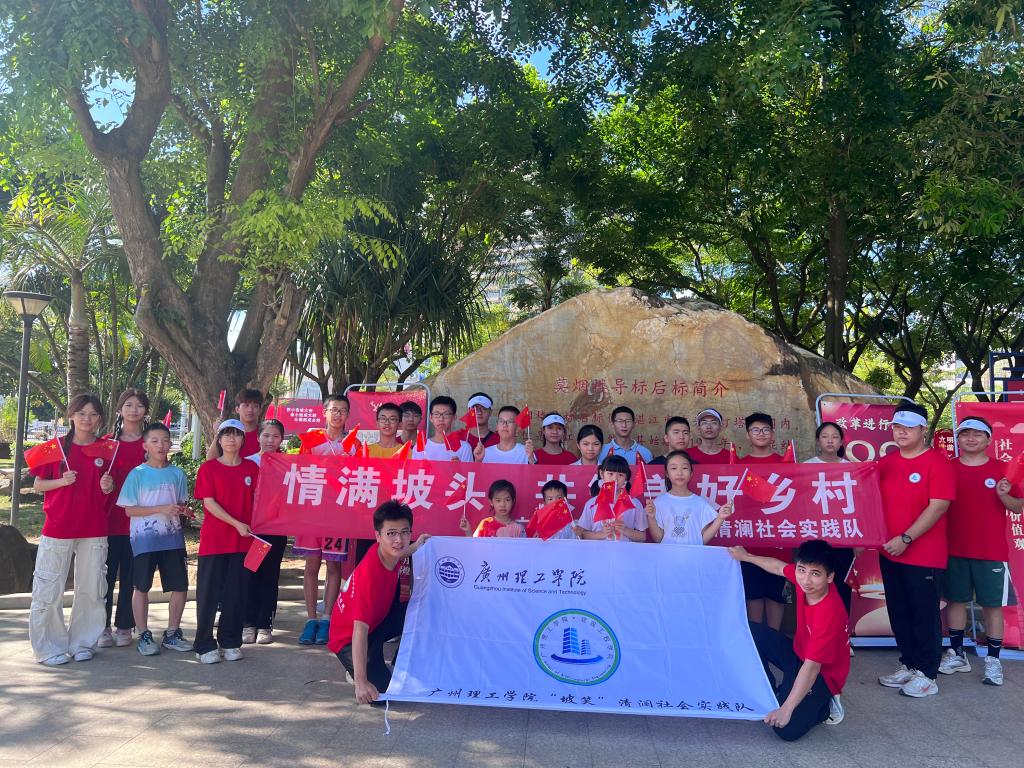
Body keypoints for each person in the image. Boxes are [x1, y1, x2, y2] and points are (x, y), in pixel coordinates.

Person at [729, 541, 850, 740]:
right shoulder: (804, 581)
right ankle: (770, 690)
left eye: (815, 574)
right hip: (798, 653)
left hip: (823, 675)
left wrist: (786, 709)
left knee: (786, 730)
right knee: (747, 631)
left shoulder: (828, 613)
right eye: (802, 570)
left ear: (830, 577)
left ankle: (825, 707)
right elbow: (777, 566)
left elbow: (812, 668)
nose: (806, 580)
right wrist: (746, 557)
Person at [29, 394, 115, 666]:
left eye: (93, 414)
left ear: (100, 419)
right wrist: (61, 482)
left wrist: (108, 487)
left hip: (94, 527)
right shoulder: (54, 448)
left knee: (92, 588)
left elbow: (110, 489)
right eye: (81, 413)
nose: (87, 419)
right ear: (71, 416)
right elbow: (37, 485)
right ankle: (48, 648)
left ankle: (83, 643)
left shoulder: (107, 449)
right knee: (49, 588)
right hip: (58, 525)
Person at [876, 402, 955, 697]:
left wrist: (906, 538)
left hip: (923, 554)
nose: (902, 432)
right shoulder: (886, 462)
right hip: (889, 552)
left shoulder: (938, 463)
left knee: (924, 614)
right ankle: (909, 664)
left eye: (908, 427)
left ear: (923, 429)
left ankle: (927, 673)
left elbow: (938, 506)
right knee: (899, 612)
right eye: (897, 427)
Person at [939, 417, 1022, 686]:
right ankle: (957, 654)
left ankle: (993, 661)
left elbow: (1017, 506)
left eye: (977, 434)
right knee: (956, 601)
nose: (971, 439)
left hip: (991, 551)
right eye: (965, 434)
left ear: (988, 440)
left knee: (992, 606)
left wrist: (1003, 495)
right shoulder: (946, 468)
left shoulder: (1002, 468)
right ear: (958, 439)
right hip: (953, 548)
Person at [328, 500, 430, 704]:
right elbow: (359, 631)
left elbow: (401, 550)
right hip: (348, 638)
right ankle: (355, 670)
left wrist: (417, 545)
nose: (399, 540)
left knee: (422, 612)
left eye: (405, 532)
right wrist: (361, 682)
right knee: (381, 696)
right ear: (378, 536)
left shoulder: (387, 551)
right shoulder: (369, 577)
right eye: (391, 533)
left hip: (378, 620)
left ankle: (398, 664)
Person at [116, 422, 193, 656]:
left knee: (180, 586)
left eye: (165, 441)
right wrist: (161, 508)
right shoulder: (137, 474)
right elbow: (129, 510)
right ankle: (144, 634)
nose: (161, 445)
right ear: (145, 446)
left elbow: (180, 504)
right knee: (141, 587)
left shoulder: (177, 474)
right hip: (144, 541)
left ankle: (172, 633)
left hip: (173, 540)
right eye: (155, 441)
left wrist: (184, 510)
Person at [193, 419, 259, 664]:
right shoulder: (208, 468)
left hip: (244, 542)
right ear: (219, 440)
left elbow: (260, 499)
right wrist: (236, 523)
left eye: (236, 434)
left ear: (243, 440)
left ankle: (230, 640)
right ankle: (204, 644)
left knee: (236, 593)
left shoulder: (251, 468)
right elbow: (209, 503)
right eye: (226, 435)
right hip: (215, 541)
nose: (231, 439)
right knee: (208, 594)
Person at [294, 393, 352, 645]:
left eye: (342, 410)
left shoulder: (353, 443)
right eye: (333, 409)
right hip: (312, 512)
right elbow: (299, 471)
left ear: (348, 415)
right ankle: (311, 619)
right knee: (311, 566)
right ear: (324, 412)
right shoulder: (311, 439)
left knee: (334, 567)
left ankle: (327, 618)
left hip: (338, 514)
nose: (338, 414)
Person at [98, 388, 149, 649]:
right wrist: (104, 485)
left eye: (139, 405)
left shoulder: (150, 444)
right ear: (119, 409)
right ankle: (102, 625)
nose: (133, 410)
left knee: (131, 577)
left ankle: (125, 625)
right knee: (105, 576)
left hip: (139, 523)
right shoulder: (107, 443)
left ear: (145, 411)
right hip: (108, 519)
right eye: (128, 404)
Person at [736, 412, 789, 631]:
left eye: (766, 429)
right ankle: (758, 643)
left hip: (779, 541)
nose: (761, 434)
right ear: (748, 435)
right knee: (753, 597)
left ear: (773, 434)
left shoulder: (787, 463)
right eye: (755, 430)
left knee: (776, 597)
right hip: (749, 544)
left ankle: (774, 641)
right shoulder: (739, 466)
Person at [242, 419, 289, 644]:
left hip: (275, 529)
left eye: (275, 436)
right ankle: (248, 623)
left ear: (282, 439)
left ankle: (265, 625)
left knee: (270, 576)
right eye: (266, 435)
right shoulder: (248, 463)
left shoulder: (288, 464)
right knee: (251, 574)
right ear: (258, 437)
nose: (270, 440)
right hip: (252, 531)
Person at [646, 451, 732, 544]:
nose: (679, 473)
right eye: (674, 468)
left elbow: (702, 539)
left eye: (684, 468)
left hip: (694, 553)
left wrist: (720, 518)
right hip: (668, 553)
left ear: (691, 473)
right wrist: (651, 517)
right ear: (667, 473)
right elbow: (658, 539)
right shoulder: (659, 502)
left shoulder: (700, 503)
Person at [575, 455, 647, 542]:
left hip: (625, 550)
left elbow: (642, 536)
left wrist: (625, 530)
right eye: (610, 474)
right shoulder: (592, 503)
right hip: (598, 549)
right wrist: (601, 534)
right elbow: (583, 534)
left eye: (620, 475)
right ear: (602, 474)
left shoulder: (634, 503)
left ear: (626, 477)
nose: (615, 479)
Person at [412, 395, 473, 461]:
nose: (441, 419)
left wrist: (459, 466)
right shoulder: (420, 447)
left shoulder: (464, 448)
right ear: (431, 418)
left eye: (446, 414)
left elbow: (469, 468)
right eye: (436, 414)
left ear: (454, 417)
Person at [207, 388, 262, 459]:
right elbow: (211, 459)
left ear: (260, 410)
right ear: (237, 409)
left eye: (255, 406)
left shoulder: (265, 433)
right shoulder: (228, 432)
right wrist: (218, 432)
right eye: (246, 405)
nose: (250, 410)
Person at [459, 479, 525, 537]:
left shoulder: (519, 528)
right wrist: (468, 531)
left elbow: (524, 546)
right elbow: (475, 545)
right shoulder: (485, 524)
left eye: (507, 500)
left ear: (513, 501)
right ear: (491, 502)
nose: (503, 505)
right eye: (498, 500)